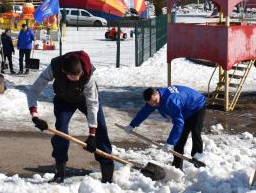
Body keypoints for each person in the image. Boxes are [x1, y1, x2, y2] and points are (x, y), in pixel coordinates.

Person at [27, 51, 114, 183]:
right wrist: (35, 116)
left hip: (85, 99)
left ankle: (107, 174)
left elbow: (92, 104)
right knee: (61, 132)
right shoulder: (54, 67)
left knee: (101, 128)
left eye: (79, 76)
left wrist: (92, 135)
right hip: (64, 99)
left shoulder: (88, 75)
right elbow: (34, 91)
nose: (77, 79)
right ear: (63, 71)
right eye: (73, 77)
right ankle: (60, 172)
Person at [124, 85, 206, 169]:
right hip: (184, 109)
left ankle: (198, 159)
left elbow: (178, 123)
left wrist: (170, 142)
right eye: (151, 103)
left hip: (197, 105)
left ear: (156, 94)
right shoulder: (153, 100)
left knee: (195, 132)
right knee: (179, 139)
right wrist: (132, 125)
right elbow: (144, 112)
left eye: (155, 101)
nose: (154, 104)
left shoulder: (171, 102)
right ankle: (177, 166)